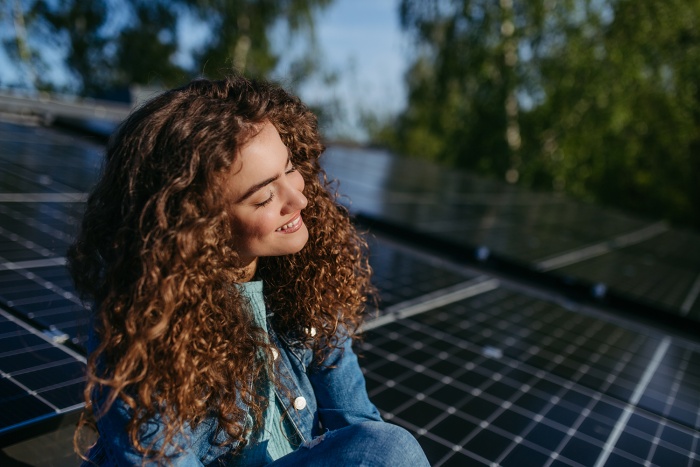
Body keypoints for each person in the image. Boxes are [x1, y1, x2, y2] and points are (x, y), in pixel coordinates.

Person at [67, 75, 430, 466]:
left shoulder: (303, 284)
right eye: (263, 197)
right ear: (198, 225)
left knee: (388, 449)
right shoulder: (148, 328)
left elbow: (359, 427)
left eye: (290, 168)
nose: (299, 197)